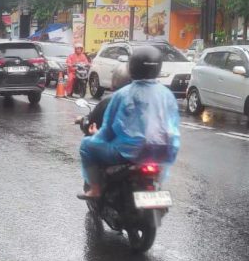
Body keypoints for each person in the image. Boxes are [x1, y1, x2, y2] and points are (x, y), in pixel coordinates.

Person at [77, 46, 180, 199]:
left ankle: (95, 190)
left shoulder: (122, 95)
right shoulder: (167, 95)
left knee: (86, 146)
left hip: (129, 152)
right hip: (164, 151)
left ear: (132, 67)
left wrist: (95, 137)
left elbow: (108, 129)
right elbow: (172, 125)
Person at [76, 62, 132, 135]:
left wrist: (83, 120)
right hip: (139, 143)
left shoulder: (110, 101)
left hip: (113, 143)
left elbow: (89, 124)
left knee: (86, 143)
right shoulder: (141, 101)